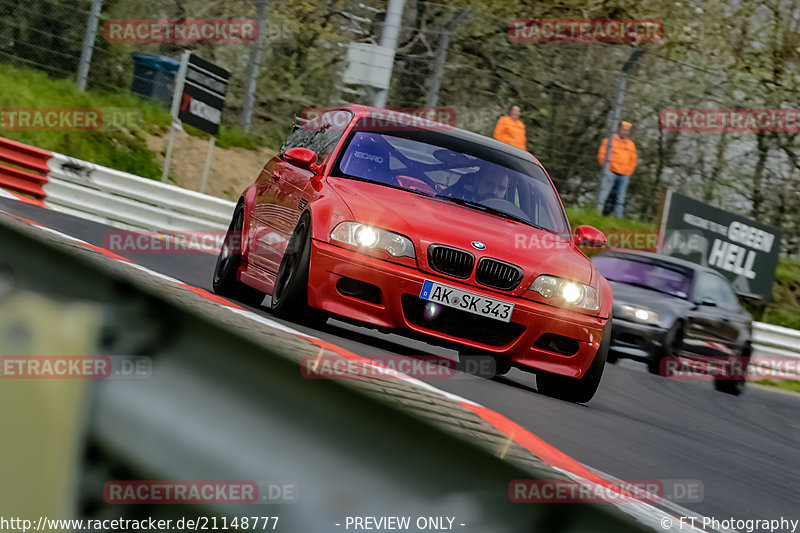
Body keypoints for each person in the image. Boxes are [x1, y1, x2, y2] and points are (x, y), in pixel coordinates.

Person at [596, 120, 637, 217]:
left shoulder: (631, 145)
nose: (625, 132)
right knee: (603, 195)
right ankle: (597, 214)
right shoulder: (609, 141)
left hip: (624, 175)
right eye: (623, 129)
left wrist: (628, 172)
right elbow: (602, 155)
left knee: (620, 199)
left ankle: (618, 219)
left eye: (627, 130)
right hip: (610, 172)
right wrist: (606, 169)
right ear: (619, 129)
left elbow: (633, 161)